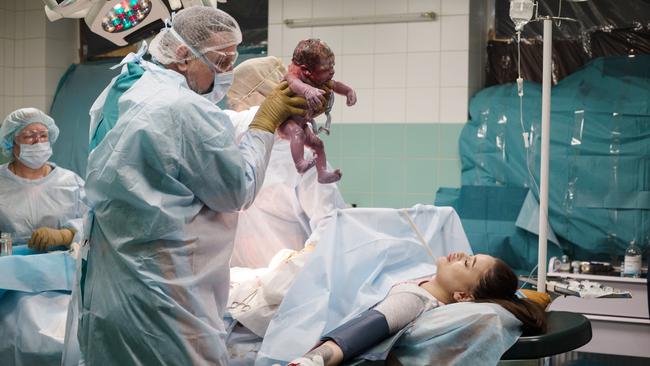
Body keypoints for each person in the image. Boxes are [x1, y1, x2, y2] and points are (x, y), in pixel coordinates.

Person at [77, 7, 311, 366]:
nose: (228, 73)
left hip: (113, 288)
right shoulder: (181, 108)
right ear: (184, 54)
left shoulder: (126, 87)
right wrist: (265, 119)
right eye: (221, 61)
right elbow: (238, 189)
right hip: (166, 299)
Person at [289, 252, 547, 366]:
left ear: (463, 296)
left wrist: (309, 361)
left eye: (468, 263)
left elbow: (358, 334)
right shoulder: (431, 284)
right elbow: (518, 297)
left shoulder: (413, 301)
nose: (459, 255)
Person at [226, 56, 347, 268]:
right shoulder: (231, 146)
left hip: (291, 287)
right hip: (241, 285)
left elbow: (333, 226)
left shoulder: (302, 157)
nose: (235, 108)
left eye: (236, 101)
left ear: (257, 96)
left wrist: (290, 272)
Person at [0, 107, 85, 251]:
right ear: (11, 142)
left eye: (43, 135)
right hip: (9, 269)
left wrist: (65, 235)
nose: (38, 141)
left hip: (60, 267)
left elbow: (93, 222)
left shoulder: (71, 182)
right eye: (29, 136)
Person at [279, 38, 357, 184]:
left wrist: (348, 91)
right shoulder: (292, 77)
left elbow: (336, 85)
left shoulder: (320, 80)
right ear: (306, 70)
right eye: (326, 69)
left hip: (302, 122)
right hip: (286, 124)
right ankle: (300, 164)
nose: (332, 71)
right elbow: (295, 85)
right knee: (297, 133)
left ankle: (322, 174)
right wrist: (307, 90)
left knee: (318, 145)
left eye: (332, 66)